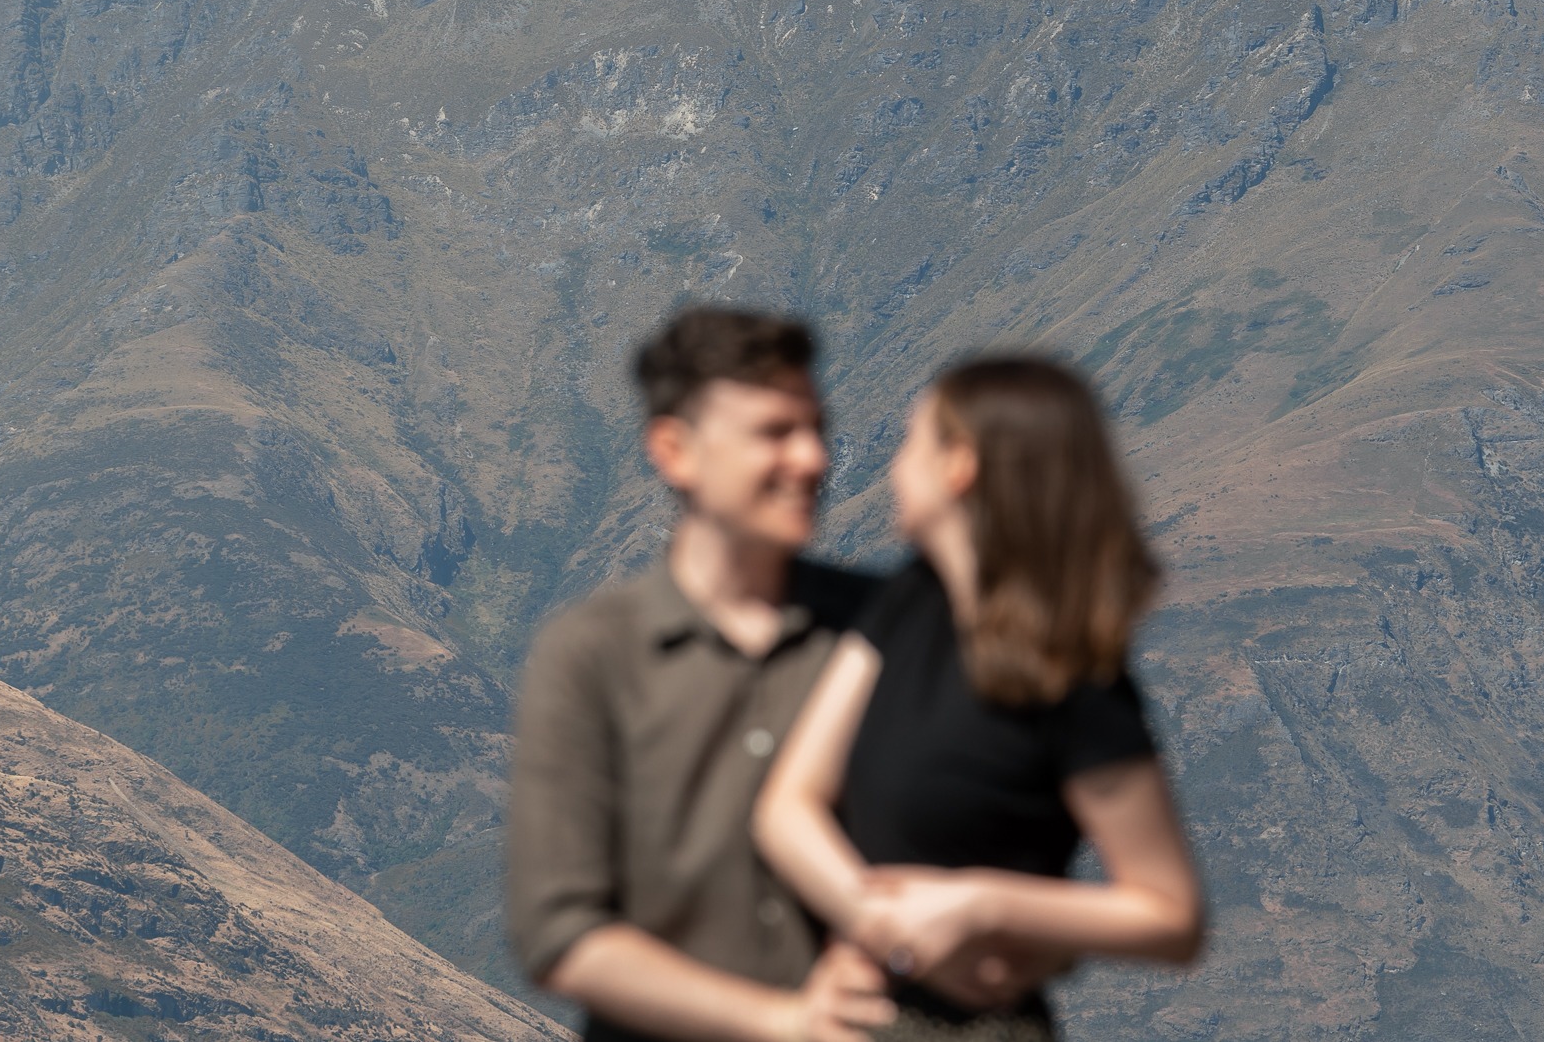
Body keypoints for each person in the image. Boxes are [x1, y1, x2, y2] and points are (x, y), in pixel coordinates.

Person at [753, 356, 1204, 1039]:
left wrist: (982, 905)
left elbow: (1172, 915)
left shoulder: (1071, 680)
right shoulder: (909, 604)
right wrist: (896, 935)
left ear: (959, 464)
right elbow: (788, 803)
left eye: (912, 439)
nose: (893, 464)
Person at [504, 305, 899, 1042]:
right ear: (676, 450)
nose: (812, 458)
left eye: (816, 428)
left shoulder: (889, 631)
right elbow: (558, 932)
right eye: (774, 433)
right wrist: (782, 1021)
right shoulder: (590, 655)